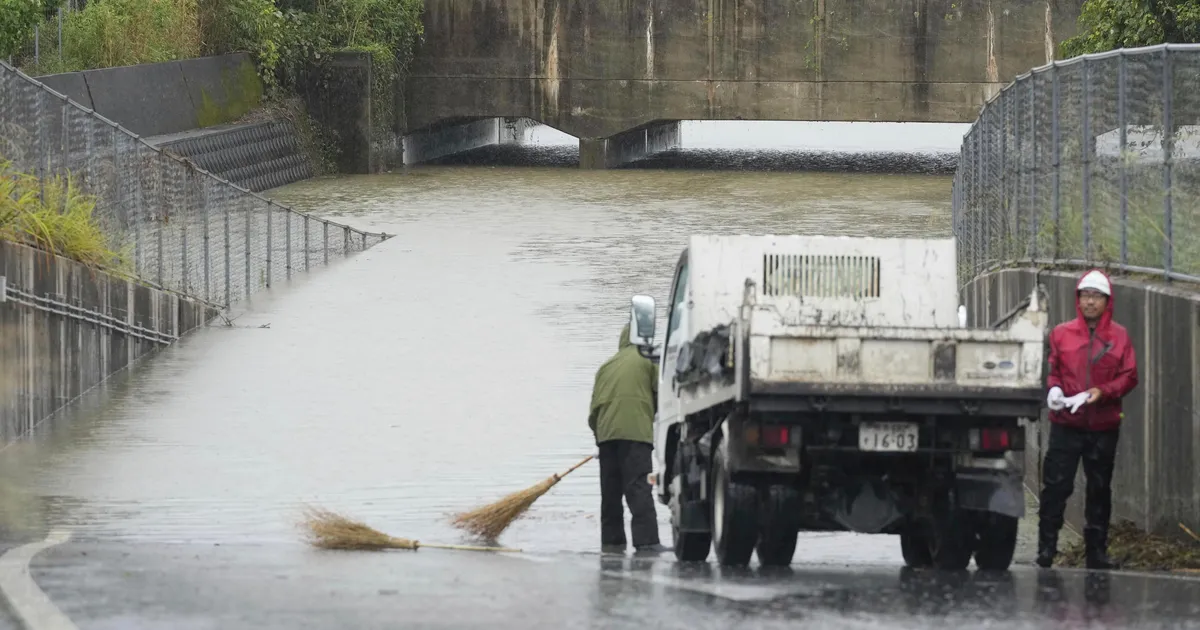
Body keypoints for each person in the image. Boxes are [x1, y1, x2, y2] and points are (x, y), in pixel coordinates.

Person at [1038, 269, 1139, 570]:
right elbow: (1052, 369)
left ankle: (1097, 553)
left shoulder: (1119, 336)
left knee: (1099, 487)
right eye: (1085, 296)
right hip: (1066, 424)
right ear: (1077, 299)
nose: (1090, 302)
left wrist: (1103, 391)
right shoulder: (1061, 334)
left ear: (1108, 301)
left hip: (1103, 426)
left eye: (1096, 297)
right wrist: (1054, 389)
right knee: (1056, 486)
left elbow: (1129, 376)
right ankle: (1046, 549)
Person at [588, 323, 668, 554]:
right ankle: (647, 542)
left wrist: (599, 438)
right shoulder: (649, 360)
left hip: (606, 435)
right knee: (638, 487)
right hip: (635, 434)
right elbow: (661, 393)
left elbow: (593, 411)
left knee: (610, 493)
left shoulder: (605, 367)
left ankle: (612, 544)